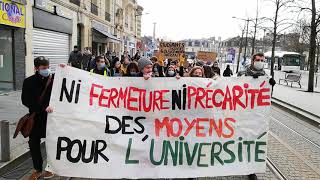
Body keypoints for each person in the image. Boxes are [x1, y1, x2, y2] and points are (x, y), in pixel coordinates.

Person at [237, 52, 275, 180]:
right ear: (252, 61)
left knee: (253, 142)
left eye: (262, 60)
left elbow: (268, 97)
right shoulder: (242, 74)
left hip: (257, 117)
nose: (260, 62)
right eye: (258, 59)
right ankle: (237, 164)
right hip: (242, 114)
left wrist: (271, 86)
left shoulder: (266, 76)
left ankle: (251, 170)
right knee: (240, 141)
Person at [21, 56, 54, 180]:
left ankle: (51, 168)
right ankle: (38, 168)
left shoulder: (54, 78)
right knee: (34, 143)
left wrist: (65, 69)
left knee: (52, 143)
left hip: (51, 118)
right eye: (44, 68)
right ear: (36, 68)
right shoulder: (28, 81)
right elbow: (25, 100)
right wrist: (42, 108)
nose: (47, 70)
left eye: (48, 67)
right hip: (35, 118)